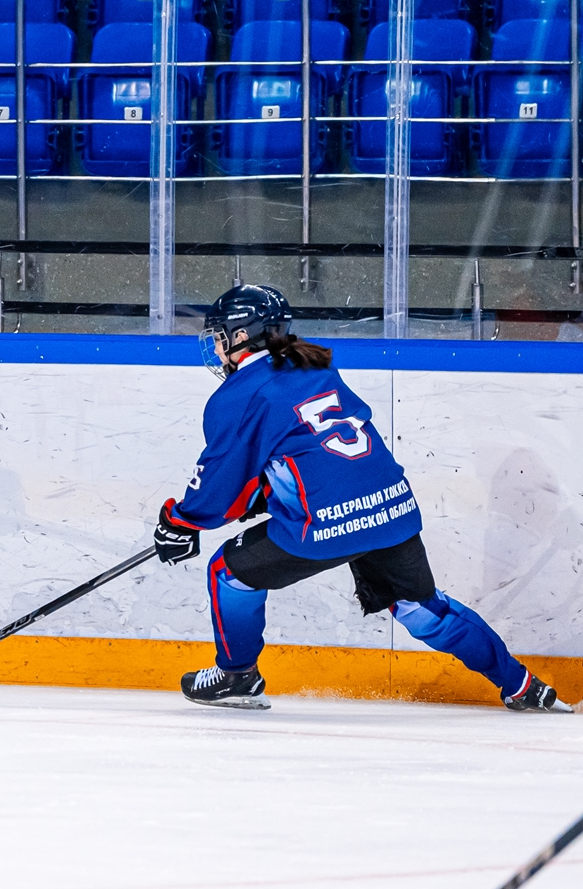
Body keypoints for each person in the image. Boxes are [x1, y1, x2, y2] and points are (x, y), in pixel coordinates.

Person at [154, 284, 569, 712]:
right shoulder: (311, 365)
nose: (218, 347)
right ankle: (521, 685)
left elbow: (220, 488)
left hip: (325, 523)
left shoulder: (237, 394)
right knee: (422, 608)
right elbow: (315, 453)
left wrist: (179, 523)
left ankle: (237, 674)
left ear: (242, 336)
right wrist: (267, 494)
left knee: (228, 570)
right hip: (391, 508)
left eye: (221, 336)